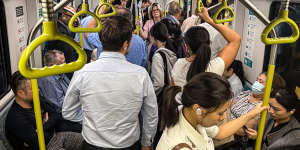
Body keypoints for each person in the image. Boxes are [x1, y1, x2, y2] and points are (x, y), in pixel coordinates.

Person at [62, 16, 158, 150]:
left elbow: (68, 112)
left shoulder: (83, 73)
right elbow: (151, 113)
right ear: (125, 45)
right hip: (128, 145)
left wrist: (93, 117)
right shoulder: (140, 75)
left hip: (92, 145)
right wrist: (146, 142)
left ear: (102, 41)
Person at [156, 72, 268, 150]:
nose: (223, 117)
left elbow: (219, 132)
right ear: (198, 109)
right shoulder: (181, 145)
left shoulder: (189, 113)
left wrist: (251, 114)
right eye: (220, 113)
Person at [5, 71, 83, 150]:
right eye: (33, 88)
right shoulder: (16, 118)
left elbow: (56, 115)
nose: (38, 90)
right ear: (21, 93)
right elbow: (39, 143)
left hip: (55, 137)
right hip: (45, 146)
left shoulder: (36, 99)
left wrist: (44, 126)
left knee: (88, 141)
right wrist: (49, 123)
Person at [171, 7, 241, 87]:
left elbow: (171, 91)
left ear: (186, 47)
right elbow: (236, 39)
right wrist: (209, 20)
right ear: (209, 44)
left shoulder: (178, 65)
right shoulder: (214, 68)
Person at [230, 72, 286, 149]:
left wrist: (222, 124)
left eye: (261, 82)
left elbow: (243, 130)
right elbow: (227, 107)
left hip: (234, 139)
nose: (256, 83)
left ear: (270, 89)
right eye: (257, 79)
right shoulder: (246, 93)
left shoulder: (263, 107)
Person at [150, 22, 177, 95]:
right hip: (171, 93)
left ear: (154, 37)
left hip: (162, 97)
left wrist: (150, 95)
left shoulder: (158, 56)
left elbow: (159, 83)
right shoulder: (171, 50)